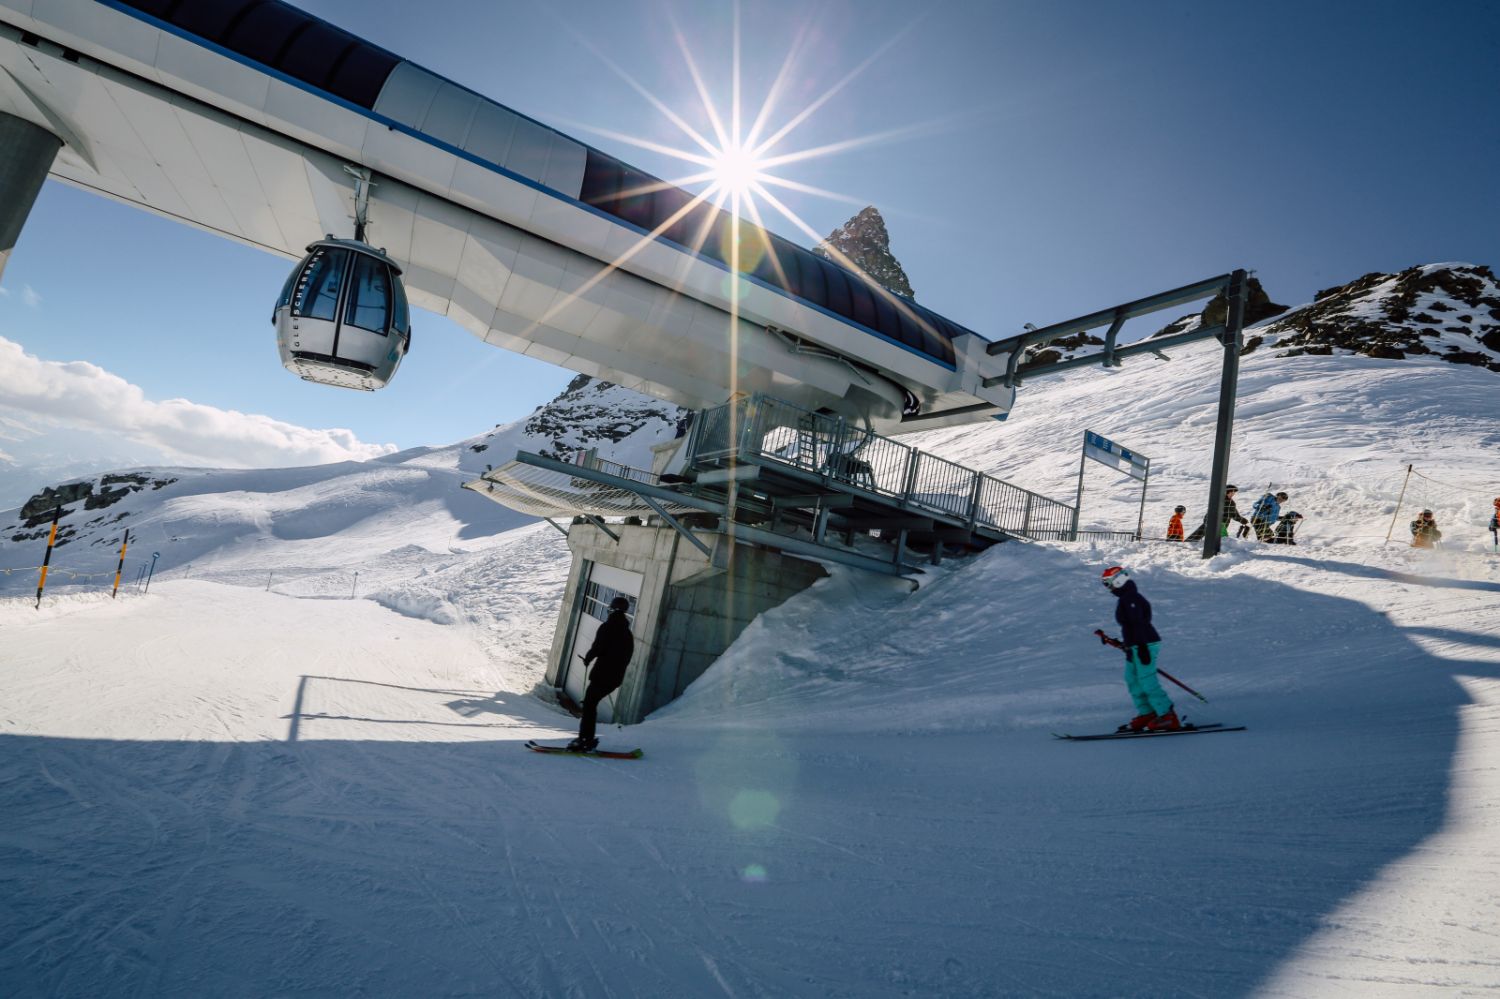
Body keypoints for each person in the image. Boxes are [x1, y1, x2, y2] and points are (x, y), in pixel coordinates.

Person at [1100, 566, 1179, 732]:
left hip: (1145, 643)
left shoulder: (1131, 598)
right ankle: (1148, 712)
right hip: (1136, 645)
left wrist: (1141, 646)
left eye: (1108, 583)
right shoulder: (1125, 599)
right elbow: (1131, 626)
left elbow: (1139, 623)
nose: (1108, 588)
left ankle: (1167, 715)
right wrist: (1127, 644)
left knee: (1147, 680)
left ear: (1119, 580)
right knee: (1132, 680)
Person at [568, 595, 635, 752]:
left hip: (602, 675)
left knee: (590, 705)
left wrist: (588, 659)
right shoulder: (627, 634)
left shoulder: (607, 627)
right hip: (614, 678)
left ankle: (585, 740)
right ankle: (586, 738)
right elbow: (627, 656)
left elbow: (598, 646)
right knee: (591, 703)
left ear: (611, 609)